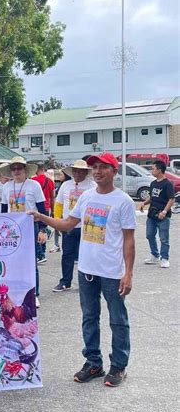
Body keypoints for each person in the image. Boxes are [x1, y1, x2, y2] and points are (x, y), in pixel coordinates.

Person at [29, 152, 136, 387]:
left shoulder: (123, 201)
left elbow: (129, 239)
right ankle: (93, 362)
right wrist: (40, 217)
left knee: (117, 319)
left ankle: (119, 365)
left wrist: (128, 273)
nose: (97, 171)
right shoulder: (86, 197)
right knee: (89, 318)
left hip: (111, 272)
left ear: (114, 171)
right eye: (94, 167)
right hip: (87, 269)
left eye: (103, 167)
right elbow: (68, 223)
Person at [0, 157, 48, 307]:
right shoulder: (6, 187)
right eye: (13, 169)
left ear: (25, 170)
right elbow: (3, 211)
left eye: (19, 168)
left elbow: (42, 209)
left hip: (30, 227)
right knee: (12, 262)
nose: (16, 171)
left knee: (31, 261)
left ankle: (34, 294)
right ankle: (14, 293)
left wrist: (42, 229)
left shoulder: (34, 186)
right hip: (11, 230)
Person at [52, 160, 96, 292]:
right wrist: (57, 222)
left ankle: (88, 282)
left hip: (86, 226)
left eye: (81, 171)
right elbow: (59, 204)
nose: (77, 173)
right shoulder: (65, 185)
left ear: (85, 172)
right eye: (75, 170)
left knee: (86, 255)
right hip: (68, 226)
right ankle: (66, 282)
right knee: (67, 255)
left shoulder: (92, 185)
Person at [140, 158, 175, 268]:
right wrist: (144, 203)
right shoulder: (153, 183)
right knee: (149, 235)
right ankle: (155, 255)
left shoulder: (167, 184)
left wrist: (164, 212)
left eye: (153, 169)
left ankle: (164, 258)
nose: (152, 171)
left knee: (163, 238)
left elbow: (171, 199)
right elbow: (153, 197)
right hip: (152, 215)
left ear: (159, 170)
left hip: (163, 216)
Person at [32, 164, 55, 264]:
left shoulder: (34, 180)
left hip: (37, 208)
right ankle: (43, 251)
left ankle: (40, 254)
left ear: (36, 170)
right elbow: (52, 196)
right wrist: (52, 210)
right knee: (43, 229)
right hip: (46, 207)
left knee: (37, 230)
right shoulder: (50, 181)